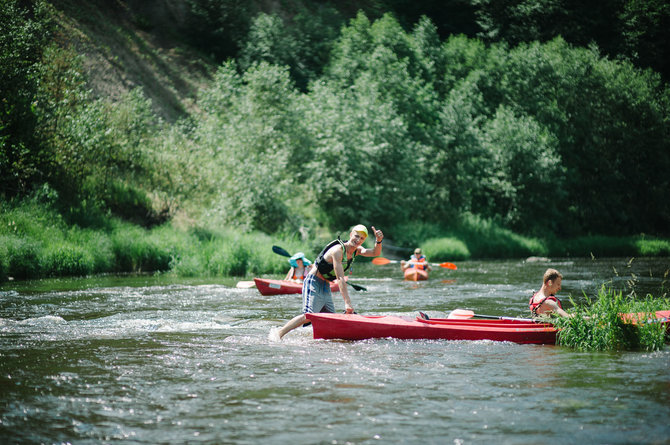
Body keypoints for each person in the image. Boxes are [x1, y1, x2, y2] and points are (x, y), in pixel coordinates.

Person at [272, 224, 384, 340]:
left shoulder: (356, 251)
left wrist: (378, 241)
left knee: (329, 319)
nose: (358, 240)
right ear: (351, 235)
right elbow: (340, 278)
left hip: (326, 285)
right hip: (313, 281)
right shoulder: (338, 251)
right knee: (309, 316)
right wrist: (347, 303)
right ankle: (279, 333)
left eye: (361, 238)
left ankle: (320, 340)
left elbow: (375, 253)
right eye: (356, 236)